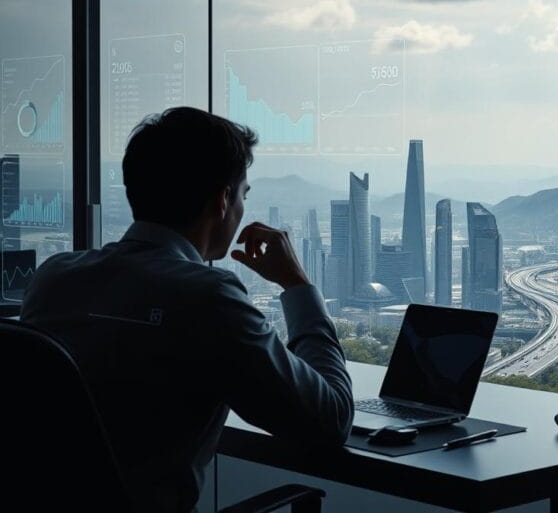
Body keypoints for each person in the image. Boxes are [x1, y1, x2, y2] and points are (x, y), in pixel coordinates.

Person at [21, 107, 353, 513]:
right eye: (243, 195)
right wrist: (298, 286)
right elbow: (331, 419)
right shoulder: (209, 298)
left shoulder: (53, 278)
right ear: (222, 200)